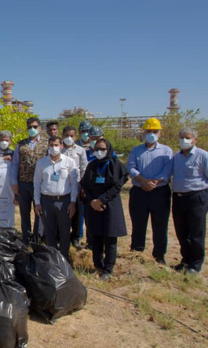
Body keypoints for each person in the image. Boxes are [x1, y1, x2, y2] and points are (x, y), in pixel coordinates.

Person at [81, 139, 128, 281]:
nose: (99, 152)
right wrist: (93, 201)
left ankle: (108, 268)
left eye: (102, 149)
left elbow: (117, 186)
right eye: (96, 149)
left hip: (110, 206)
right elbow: (86, 186)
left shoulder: (116, 166)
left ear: (108, 150)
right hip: (94, 205)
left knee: (110, 238)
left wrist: (101, 200)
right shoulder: (92, 166)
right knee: (95, 237)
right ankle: (97, 265)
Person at [127, 118, 173, 265]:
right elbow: (131, 168)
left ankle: (159, 255)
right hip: (139, 192)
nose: (151, 134)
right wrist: (143, 181)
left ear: (160, 133)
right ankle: (137, 253)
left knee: (160, 225)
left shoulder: (166, 151)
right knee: (138, 224)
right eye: (149, 131)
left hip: (160, 192)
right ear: (144, 133)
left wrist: (155, 182)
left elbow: (168, 170)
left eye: (155, 131)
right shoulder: (136, 151)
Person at [33, 136, 79, 262]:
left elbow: (74, 183)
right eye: (51, 145)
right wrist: (37, 203)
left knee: (64, 231)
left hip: (64, 201)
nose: (54, 148)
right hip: (46, 200)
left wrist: (73, 202)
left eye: (56, 145)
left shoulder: (69, 162)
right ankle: (52, 257)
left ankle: (64, 257)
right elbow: (37, 183)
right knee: (49, 231)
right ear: (48, 146)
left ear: (61, 146)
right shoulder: (41, 162)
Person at [171, 128, 208, 275]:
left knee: (196, 232)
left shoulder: (203, 156)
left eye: (187, 137)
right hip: (179, 198)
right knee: (182, 232)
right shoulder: (176, 157)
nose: (184, 140)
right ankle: (185, 260)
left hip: (196, 198)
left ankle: (196, 264)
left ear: (195, 140)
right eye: (181, 137)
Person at [11, 117, 49, 242]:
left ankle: (37, 237)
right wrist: (15, 183)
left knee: (39, 211)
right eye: (29, 127)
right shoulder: (20, 144)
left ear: (40, 128)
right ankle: (26, 237)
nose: (32, 129)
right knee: (24, 212)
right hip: (23, 183)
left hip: (41, 184)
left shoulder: (47, 143)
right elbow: (15, 164)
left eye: (34, 127)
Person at [61, 125, 88, 250]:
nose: (69, 138)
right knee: (62, 213)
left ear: (75, 136)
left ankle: (76, 237)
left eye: (71, 136)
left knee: (77, 212)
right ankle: (62, 236)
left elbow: (84, 169)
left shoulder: (81, 150)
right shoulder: (57, 149)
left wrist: (82, 185)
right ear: (62, 136)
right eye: (66, 135)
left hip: (76, 185)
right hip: (61, 186)